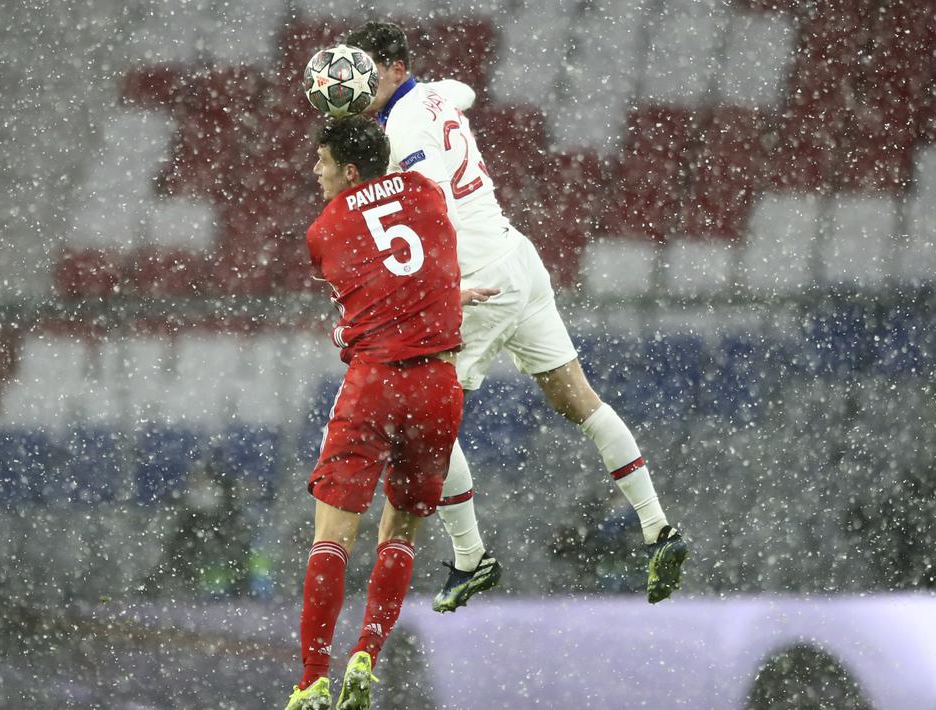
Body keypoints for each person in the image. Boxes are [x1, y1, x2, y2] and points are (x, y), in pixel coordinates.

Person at [344, 21, 689, 612]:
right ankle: (659, 527)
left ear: (396, 69)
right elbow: (461, 95)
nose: (356, 83)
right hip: (519, 259)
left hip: (480, 279)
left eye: (367, 71)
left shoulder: (403, 123)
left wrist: (437, 290)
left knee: (426, 420)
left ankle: (471, 557)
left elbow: (430, 203)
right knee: (578, 399)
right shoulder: (429, 99)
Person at [285, 115, 466, 710]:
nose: (316, 171)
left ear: (351, 168)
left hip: (377, 382)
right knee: (403, 530)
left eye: (324, 161)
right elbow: (411, 263)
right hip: (439, 384)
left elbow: (368, 276)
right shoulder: (425, 192)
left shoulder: (324, 230)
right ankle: (368, 650)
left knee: (333, 535)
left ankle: (313, 680)